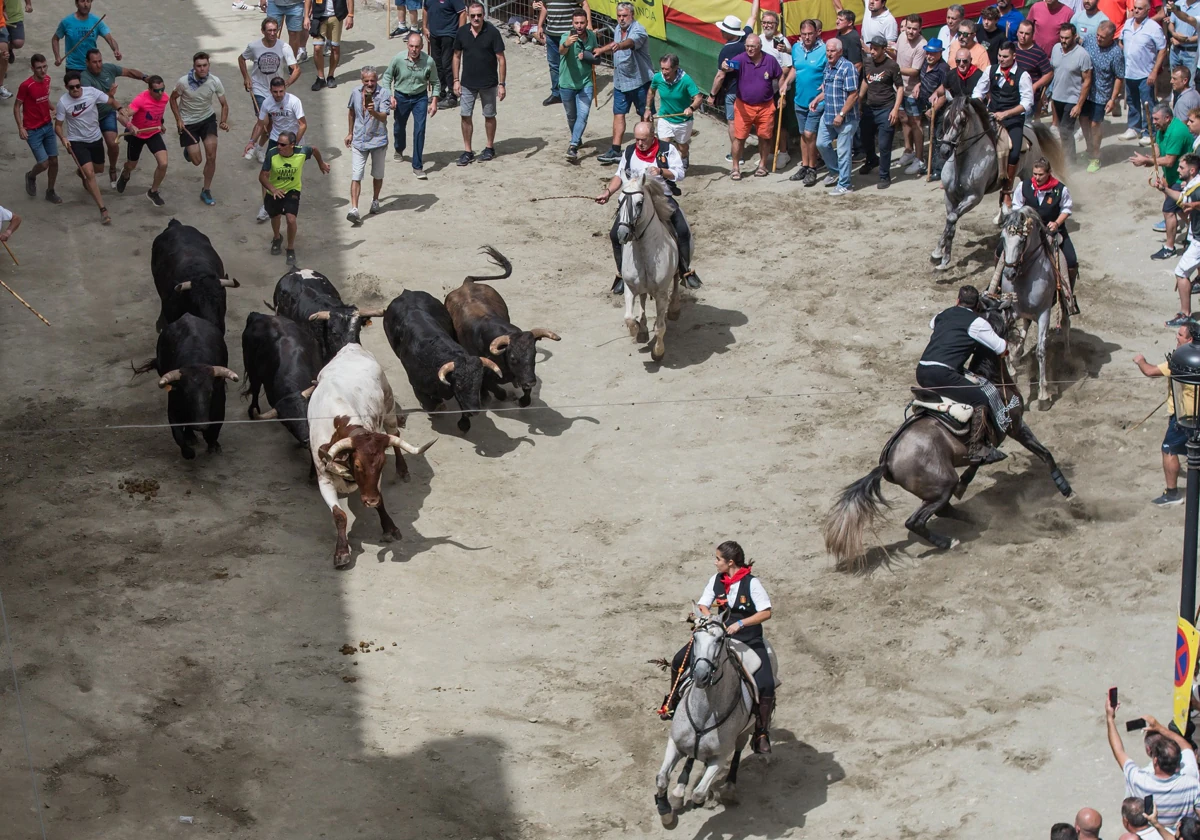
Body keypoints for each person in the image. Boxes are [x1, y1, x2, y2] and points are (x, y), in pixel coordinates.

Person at [657, 541, 776, 754]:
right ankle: (673, 699)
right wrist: (708, 617)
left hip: (747, 639)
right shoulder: (716, 580)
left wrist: (740, 623)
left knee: (766, 683)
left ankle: (760, 732)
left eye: (718, 559)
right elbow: (703, 604)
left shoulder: (752, 584)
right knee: (678, 660)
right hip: (718, 637)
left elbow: (765, 612)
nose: (715, 562)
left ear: (730, 562)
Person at [595, 120, 698, 292]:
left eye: (643, 139)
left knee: (682, 230)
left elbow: (679, 174)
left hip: (661, 197)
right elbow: (619, 175)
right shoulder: (629, 151)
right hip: (635, 199)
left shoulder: (667, 150)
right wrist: (608, 192)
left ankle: (684, 271)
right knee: (615, 234)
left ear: (653, 136)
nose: (640, 144)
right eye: (637, 140)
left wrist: (661, 171)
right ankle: (621, 274)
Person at [916, 285, 1009, 463]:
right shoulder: (976, 322)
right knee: (980, 399)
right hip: (943, 373)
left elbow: (932, 324)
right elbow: (1001, 348)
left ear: (957, 300)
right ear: (977, 306)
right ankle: (977, 448)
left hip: (922, 371)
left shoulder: (943, 314)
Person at [1105, 695, 1200, 830]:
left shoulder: (1140, 780)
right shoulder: (1192, 782)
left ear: (1155, 760)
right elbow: (1186, 747)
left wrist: (1110, 718)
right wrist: (1160, 728)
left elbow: (1118, 751)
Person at [1011, 157, 1080, 311]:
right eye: (1035, 174)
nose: (1037, 177)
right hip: (1028, 231)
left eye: (1040, 174)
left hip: (1053, 232)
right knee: (1003, 252)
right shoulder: (1024, 186)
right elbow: (1017, 206)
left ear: (1049, 173)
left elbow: (1066, 209)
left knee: (1071, 260)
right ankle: (994, 290)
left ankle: (1067, 298)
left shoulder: (1060, 189)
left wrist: (1056, 223)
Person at [54, 69, 121, 225]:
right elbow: (58, 125)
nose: (76, 89)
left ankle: (81, 171)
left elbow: (110, 101)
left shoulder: (91, 92)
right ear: (66, 87)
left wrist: (120, 108)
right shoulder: (63, 103)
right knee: (90, 174)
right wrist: (63, 137)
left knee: (98, 169)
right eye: (72, 87)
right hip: (77, 141)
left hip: (95, 138)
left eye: (77, 86)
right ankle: (103, 210)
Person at [592, 3, 653, 165]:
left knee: (645, 116)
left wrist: (620, 45)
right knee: (618, 115)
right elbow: (614, 44)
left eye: (624, 16)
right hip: (620, 82)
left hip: (640, 81)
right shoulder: (619, 29)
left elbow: (630, 43)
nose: (621, 19)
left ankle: (647, 150)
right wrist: (601, 50)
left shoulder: (639, 30)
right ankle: (615, 149)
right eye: (619, 16)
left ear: (631, 15)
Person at [80, 49, 148, 191]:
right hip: (89, 119)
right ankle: (85, 172)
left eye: (100, 61)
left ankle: (112, 168)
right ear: (87, 63)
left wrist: (145, 77)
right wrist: (109, 95)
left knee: (113, 143)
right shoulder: (84, 79)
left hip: (107, 113)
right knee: (91, 155)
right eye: (94, 62)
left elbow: (129, 72)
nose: (98, 65)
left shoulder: (108, 69)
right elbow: (90, 102)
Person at [260, 130, 330, 267]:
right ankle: (277, 237)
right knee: (275, 217)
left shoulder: (301, 152)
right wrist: (273, 189)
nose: (278, 146)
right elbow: (262, 176)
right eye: (278, 143)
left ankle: (290, 248)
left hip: (292, 190)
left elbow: (314, 149)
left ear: (292, 145)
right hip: (274, 192)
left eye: (282, 144)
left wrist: (321, 163)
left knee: (291, 219)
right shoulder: (272, 154)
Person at [717, 34, 783, 179]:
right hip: (743, 106)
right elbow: (727, 67)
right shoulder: (741, 59)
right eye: (747, 46)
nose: (750, 49)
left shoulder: (770, 61)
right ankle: (735, 167)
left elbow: (780, 75)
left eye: (753, 46)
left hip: (766, 106)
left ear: (760, 47)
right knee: (739, 138)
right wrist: (724, 65)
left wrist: (782, 90)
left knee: (764, 137)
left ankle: (762, 165)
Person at [1132, 103, 1193, 258]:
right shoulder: (1162, 128)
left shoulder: (1177, 132)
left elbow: (1170, 160)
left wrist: (1150, 161)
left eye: (1156, 119)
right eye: (1152, 119)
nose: (1154, 122)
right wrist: (1151, 158)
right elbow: (1159, 148)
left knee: (1168, 210)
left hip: (1184, 179)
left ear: (1167, 118)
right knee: (1181, 209)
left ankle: (1169, 248)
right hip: (1172, 176)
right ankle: (1195, 234)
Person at [170, 52, 229, 207]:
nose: (202, 69)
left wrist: (222, 121)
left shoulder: (215, 81)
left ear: (209, 65)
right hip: (189, 123)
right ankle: (189, 151)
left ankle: (206, 190)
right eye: (199, 66)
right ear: (194, 67)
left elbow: (224, 104)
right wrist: (178, 119)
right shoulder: (183, 82)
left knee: (211, 156)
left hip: (207, 120)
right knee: (197, 161)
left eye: (205, 65)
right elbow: (172, 99)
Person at [452, 1, 505, 166]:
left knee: (489, 116)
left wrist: (502, 84)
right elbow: (456, 56)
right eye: (473, 15)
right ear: (468, 15)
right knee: (465, 115)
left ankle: (489, 147)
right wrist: (455, 80)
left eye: (479, 15)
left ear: (484, 15)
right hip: (467, 83)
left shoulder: (493, 32)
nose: (476, 18)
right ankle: (468, 151)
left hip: (489, 83)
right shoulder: (461, 32)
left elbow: (501, 59)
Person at [239, 17, 299, 162]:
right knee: (264, 119)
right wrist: (246, 78)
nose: (273, 33)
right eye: (269, 30)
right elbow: (241, 59)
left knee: (272, 122)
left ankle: (259, 148)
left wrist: (287, 83)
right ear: (263, 31)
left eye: (275, 30)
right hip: (259, 88)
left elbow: (296, 69)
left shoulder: (284, 47)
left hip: (276, 91)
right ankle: (252, 145)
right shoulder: (254, 46)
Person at [707, 3, 759, 166]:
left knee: (733, 122)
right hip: (752, 90)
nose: (720, 31)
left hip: (733, 92)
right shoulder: (747, 37)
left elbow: (720, 76)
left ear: (729, 33)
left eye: (723, 29)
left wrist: (712, 95)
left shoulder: (726, 51)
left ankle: (737, 154)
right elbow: (753, 17)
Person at [382, 32, 438, 178]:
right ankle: (399, 148)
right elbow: (387, 77)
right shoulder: (398, 59)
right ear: (407, 45)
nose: (414, 50)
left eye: (417, 47)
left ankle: (417, 166)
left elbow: (435, 82)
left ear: (422, 46)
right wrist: (390, 96)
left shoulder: (429, 61)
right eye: (411, 46)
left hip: (420, 97)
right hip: (401, 96)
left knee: (420, 130)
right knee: (399, 127)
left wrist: (434, 101)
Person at [251, 76, 307, 221]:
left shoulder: (294, 101)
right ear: (270, 91)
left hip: (294, 141)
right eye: (275, 92)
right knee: (266, 173)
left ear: (285, 89)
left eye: (281, 91)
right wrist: (252, 141)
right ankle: (266, 206)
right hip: (276, 139)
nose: (278, 95)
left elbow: (302, 124)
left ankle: (289, 201)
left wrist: (294, 143)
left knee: (291, 172)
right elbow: (260, 124)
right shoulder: (267, 103)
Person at [1153, 153, 1200, 324]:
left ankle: (1185, 315)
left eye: (1181, 167)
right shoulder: (1194, 184)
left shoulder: (1197, 188)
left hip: (1199, 240)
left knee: (1181, 272)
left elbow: (1189, 201)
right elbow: (1182, 199)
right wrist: (1164, 189)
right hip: (1195, 236)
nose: (1178, 170)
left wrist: (1194, 205)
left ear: (1192, 170)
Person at [987, 41, 1033, 207]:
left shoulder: (1023, 75)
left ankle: (1007, 191)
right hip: (992, 116)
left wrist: (1006, 113)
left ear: (1014, 56)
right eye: (999, 55)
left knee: (1013, 152)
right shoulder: (991, 70)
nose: (1001, 59)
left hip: (1012, 119)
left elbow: (1027, 103)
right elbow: (979, 90)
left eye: (1005, 57)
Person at [812, 37, 859, 195]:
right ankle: (835, 171)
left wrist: (841, 114)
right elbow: (829, 88)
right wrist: (817, 99)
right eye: (827, 51)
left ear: (839, 51)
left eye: (832, 51)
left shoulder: (848, 68)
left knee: (843, 151)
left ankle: (845, 184)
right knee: (821, 144)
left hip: (845, 119)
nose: (829, 54)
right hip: (828, 116)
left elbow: (853, 95)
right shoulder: (828, 66)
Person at [345, 67, 390, 225]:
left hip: (378, 140)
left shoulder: (384, 93)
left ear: (377, 79)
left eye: (373, 80)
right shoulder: (355, 92)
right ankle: (354, 209)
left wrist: (374, 113)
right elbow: (351, 112)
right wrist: (350, 133)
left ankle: (375, 199)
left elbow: (384, 117)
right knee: (356, 174)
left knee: (377, 173)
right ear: (362, 81)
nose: (370, 83)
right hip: (359, 139)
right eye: (367, 81)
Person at [14, 53, 61, 204]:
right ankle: (31, 175)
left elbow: (44, 99)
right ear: (32, 68)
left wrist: (55, 109)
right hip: (32, 130)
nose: (43, 70)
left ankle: (50, 191)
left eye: (45, 66)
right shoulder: (26, 86)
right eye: (39, 68)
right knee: (44, 163)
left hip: (47, 126)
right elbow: (16, 106)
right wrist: (21, 127)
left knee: (54, 161)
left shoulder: (47, 80)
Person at [858, 35, 904, 188]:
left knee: (884, 145)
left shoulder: (892, 66)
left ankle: (884, 175)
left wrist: (896, 109)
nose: (872, 52)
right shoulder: (868, 62)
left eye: (876, 49)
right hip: (869, 107)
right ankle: (871, 160)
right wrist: (859, 100)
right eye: (871, 48)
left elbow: (900, 88)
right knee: (865, 138)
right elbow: (866, 80)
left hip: (886, 108)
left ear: (884, 50)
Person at [118, 75, 170, 207]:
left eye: (162, 89)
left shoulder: (165, 98)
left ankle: (153, 191)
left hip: (153, 133)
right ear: (149, 90)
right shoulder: (140, 100)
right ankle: (125, 173)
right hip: (137, 136)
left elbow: (158, 113)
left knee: (163, 164)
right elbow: (121, 116)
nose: (161, 93)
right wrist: (130, 126)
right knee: (131, 165)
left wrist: (161, 123)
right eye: (157, 91)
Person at [1121, 0, 1168, 145]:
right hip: (1129, 72)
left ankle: (1150, 132)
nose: (1136, 11)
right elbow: (1121, 41)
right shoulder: (1128, 24)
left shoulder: (1153, 27)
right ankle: (1134, 127)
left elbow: (1162, 49)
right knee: (1132, 102)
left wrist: (1154, 71)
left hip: (1145, 74)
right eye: (1134, 8)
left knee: (1147, 104)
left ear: (1148, 10)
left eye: (1140, 9)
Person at [645, 53, 702, 169]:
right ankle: (664, 169)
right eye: (662, 68)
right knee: (663, 145)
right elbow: (651, 91)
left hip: (683, 120)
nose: (664, 72)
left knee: (682, 146)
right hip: (665, 118)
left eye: (667, 69)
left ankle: (684, 156)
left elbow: (698, 97)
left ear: (676, 68)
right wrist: (647, 108)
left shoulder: (685, 80)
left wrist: (691, 108)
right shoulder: (658, 78)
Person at [1082, 21, 1125, 170]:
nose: (1098, 39)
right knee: (1083, 121)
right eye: (1098, 35)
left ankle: (1096, 155)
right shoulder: (1089, 40)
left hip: (1101, 93)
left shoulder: (1116, 53)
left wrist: (1113, 99)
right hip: (1084, 91)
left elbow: (1119, 76)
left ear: (1111, 37)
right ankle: (1088, 149)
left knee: (1095, 125)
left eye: (1102, 37)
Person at [788, 19, 827, 186]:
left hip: (817, 101)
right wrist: (786, 83)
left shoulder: (825, 50)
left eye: (810, 34)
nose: (807, 37)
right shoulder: (796, 48)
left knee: (811, 134)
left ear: (817, 33)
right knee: (803, 134)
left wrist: (826, 84)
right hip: (800, 99)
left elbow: (831, 70)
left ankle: (812, 168)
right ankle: (804, 165)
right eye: (804, 34)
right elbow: (796, 68)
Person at [556, 9, 596, 162]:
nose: (579, 26)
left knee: (583, 115)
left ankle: (573, 146)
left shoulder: (591, 36)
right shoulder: (567, 37)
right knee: (572, 116)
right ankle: (577, 137)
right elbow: (561, 51)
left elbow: (595, 55)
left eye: (582, 23)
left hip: (585, 82)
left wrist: (588, 57)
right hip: (567, 83)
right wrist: (566, 44)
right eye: (576, 23)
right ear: (572, 23)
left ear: (586, 23)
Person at [532, 0, 586, 107]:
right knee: (554, 65)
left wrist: (587, 24)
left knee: (573, 64)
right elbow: (544, 7)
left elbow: (585, 4)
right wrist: (539, 26)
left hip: (568, 35)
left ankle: (576, 92)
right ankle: (557, 94)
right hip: (551, 34)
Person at [758, 10, 794, 170]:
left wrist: (773, 75)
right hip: (763, 91)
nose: (767, 25)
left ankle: (784, 152)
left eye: (770, 23)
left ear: (776, 25)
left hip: (779, 88)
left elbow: (787, 67)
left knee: (781, 123)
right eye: (764, 22)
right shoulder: (758, 40)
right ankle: (771, 152)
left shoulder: (781, 41)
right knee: (768, 123)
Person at [1050, 24, 1093, 159]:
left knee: (1065, 130)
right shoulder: (1056, 49)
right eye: (1061, 37)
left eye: (1067, 38)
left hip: (1072, 99)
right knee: (1059, 131)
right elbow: (1054, 71)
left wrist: (1079, 105)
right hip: (1057, 97)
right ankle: (1064, 156)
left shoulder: (1082, 55)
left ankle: (1069, 162)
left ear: (1075, 37)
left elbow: (1087, 81)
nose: (1063, 41)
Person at [896, 15, 927, 176]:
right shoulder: (901, 36)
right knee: (903, 119)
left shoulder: (922, 45)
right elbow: (897, 54)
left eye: (915, 29)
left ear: (920, 29)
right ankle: (908, 150)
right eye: (908, 28)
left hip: (913, 89)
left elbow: (915, 70)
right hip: (899, 87)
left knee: (916, 124)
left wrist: (894, 69)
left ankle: (919, 159)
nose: (911, 31)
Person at [53, 0, 119, 71]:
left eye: (88, 1)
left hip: (92, 67)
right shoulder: (66, 22)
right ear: (76, 3)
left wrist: (116, 50)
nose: (85, 4)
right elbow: (55, 39)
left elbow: (110, 39)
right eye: (82, 1)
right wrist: (57, 57)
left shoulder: (96, 21)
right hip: (73, 67)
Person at [304, 0, 354, 91]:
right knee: (317, 48)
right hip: (319, 17)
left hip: (336, 16)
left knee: (334, 47)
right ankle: (320, 78)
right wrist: (306, 16)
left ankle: (330, 76)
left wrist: (350, 15)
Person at [919, 39, 950, 179]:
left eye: (933, 53)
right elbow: (923, 78)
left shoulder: (943, 68)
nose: (930, 56)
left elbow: (944, 93)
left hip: (940, 110)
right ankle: (931, 167)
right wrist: (917, 85)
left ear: (940, 53)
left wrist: (934, 110)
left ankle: (939, 169)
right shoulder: (925, 63)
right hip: (926, 107)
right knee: (931, 138)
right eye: (928, 52)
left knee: (938, 140)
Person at [426, 0, 465, 109]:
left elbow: (462, 13)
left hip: (449, 34)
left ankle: (452, 95)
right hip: (434, 35)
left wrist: (460, 33)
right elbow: (425, 9)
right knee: (436, 64)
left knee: (447, 65)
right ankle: (440, 92)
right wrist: (424, 27)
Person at [1017, 20, 1056, 116]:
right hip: (1012, 95)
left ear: (1032, 35)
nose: (1023, 36)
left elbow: (1049, 73)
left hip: (1028, 97)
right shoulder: (1012, 48)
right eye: (1021, 32)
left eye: (1027, 34)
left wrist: (1035, 86)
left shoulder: (1038, 53)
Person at [258, 0, 308, 64]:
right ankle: (271, 62)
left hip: (296, 4)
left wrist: (307, 14)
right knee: (271, 32)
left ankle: (292, 62)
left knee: (294, 33)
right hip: (274, 3)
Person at [1166, 0, 1200, 83]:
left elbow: (1187, 18)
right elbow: (1171, 23)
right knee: (1174, 81)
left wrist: (1185, 40)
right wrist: (1174, 34)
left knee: (1189, 84)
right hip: (1175, 50)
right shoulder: (1178, 3)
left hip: (1191, 53)